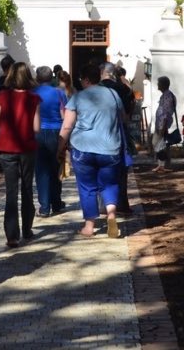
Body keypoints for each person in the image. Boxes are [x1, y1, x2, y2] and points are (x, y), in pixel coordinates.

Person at [58, 63, 124, 238]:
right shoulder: (113, 94)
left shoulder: (78, 98)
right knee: (109, 184)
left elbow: (67, 126)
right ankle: (111, 215)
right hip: (110, 148)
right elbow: (123, 117)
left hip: (82, 148)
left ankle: (89, 226)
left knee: (87, 187)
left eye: (81, 79)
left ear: (86, 79)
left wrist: (59, 147)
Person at [0, 62, 41, 247]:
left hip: (6, 148)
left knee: (10, 192)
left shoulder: (3, 96)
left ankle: (12, 235)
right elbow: (36, 127)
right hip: (27, 148)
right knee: (27, 188)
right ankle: (27, 229)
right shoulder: (34, 99)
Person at [99, 62, 135, 210]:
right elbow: (130, 107)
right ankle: (122, 203)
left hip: (100, 131)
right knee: (121, 169)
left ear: (102, 72)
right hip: (120, 129)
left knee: (101, 168)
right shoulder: (124, 88)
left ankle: (103, 205)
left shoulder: (97, 89)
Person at [33, 66, 67, 217]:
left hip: (38, 132)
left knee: (41, 171)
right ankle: (57, 203)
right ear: (51, 77)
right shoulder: (59, 93)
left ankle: (45, 207)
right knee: (55, 168)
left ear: (37, 78)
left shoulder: (32, 93)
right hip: (56, 132)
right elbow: (64, 115)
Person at [152, 76, 176, 173]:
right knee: (158, 143)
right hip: (160, 124)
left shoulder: (167, 96)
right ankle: (161, 165)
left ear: (163, 84)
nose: (157, 85)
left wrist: (163, 126)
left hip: (163, 124)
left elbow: (166, 113)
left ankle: (163, 164)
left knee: (158, 143)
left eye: (159, 83)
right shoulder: (165, 95)